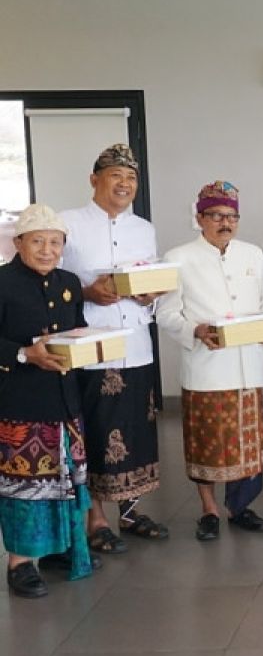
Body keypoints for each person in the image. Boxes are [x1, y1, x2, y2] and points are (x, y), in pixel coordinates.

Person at [59, 144, 166, 554]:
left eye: (131, 178)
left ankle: (130, 509)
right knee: (97, 430)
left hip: (136, 345)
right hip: (92, 344)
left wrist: (149, 294)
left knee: (137, 429)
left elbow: (149, 278)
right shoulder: (69, 224)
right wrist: (87, 291)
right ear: (94, 180)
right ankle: (96, 517)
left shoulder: (144, 228)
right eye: (115, 176)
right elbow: (53, 282)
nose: (124, 184)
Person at [158, 182, 263, 541]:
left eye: (231, 216)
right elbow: (165, 313)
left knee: (248, 441)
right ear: (200, 218)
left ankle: (239, 507)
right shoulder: (177, 257)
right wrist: (195, 330)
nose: (225, 222)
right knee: (208, 442)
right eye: (216, 216)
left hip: (248, 364)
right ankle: (209, 508)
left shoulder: (253, 254)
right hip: (206, 366)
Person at [0, 204, 93, 597]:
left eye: (55, 242)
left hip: (65, 403)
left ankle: (59, 549)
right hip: (19, 403)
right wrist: (24, 353)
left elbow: (79, 330)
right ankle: (20, 563)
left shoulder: (68, 281)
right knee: (26, 485)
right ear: (18, 242)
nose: (46, 250)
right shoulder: (2, 282)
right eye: (37, 241)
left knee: (64, 481)